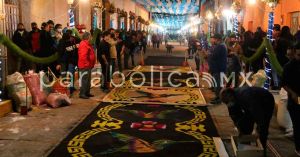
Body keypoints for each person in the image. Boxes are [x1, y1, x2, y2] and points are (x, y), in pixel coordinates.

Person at [220, 87, 275, 157]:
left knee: (263, 128)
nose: (227, 104)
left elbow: (258, 114)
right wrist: (239, 127)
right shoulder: (231, 99)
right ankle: (246, 146)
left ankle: (261, 151)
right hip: (250, 104)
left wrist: (259, 129)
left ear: (231, 96)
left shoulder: (245, 96)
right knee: (244, 124)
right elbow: (234, 115)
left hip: (266, 102)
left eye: (227, 102)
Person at [281, 44, 300, 156]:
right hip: (295, 100)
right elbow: (284, 84)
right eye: (298, 55)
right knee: (298, 125)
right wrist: (293, 94)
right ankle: (298, 148)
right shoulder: (289, 67)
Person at [57, 30, 81, 95]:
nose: (68, 41)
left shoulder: (76, 39)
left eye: (69, 39)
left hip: (74, 60)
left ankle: (74, 88)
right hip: (66, 60)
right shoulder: (63, 42)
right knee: (67, 74)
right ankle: (67, 88)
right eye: (67, 40)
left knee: (75, 74)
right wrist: (59, 63)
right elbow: (61, 52)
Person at [208, 34, 227, 104]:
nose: (213, 40)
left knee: (218, 84)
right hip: (218, 68)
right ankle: (217, 97)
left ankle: (218, 99)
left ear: (217, 39)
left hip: (219, 68)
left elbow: (214, 56)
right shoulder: (220, 46)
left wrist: (209, 54)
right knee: (217, 84)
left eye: (214, 39)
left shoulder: (220, 46)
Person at [78, 32, 95, 99]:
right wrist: (86, 64)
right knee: (84, 80)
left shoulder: (87, 44)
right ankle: (82, 93)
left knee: (87, 80)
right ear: (88, 37)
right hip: (84, 65)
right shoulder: (83, 44)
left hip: (88, 65)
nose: (91, 38)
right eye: (90, 36)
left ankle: (87, 92)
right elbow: (83, 56)